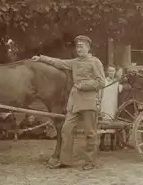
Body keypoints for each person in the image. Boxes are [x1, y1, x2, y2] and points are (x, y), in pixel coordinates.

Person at [32, 35, 106, 170]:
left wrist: (83, 85)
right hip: (74, 103)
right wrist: (41, 58)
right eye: (77, 46)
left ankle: (90, 161)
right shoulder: (75, 62)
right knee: (66, 130)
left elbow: (101, 82)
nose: (79, 49)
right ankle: (65, 160)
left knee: (90, 133)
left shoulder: (95, 62)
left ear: (88, 48)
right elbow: (58, 62)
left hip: (88, 101)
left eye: (82, 46)